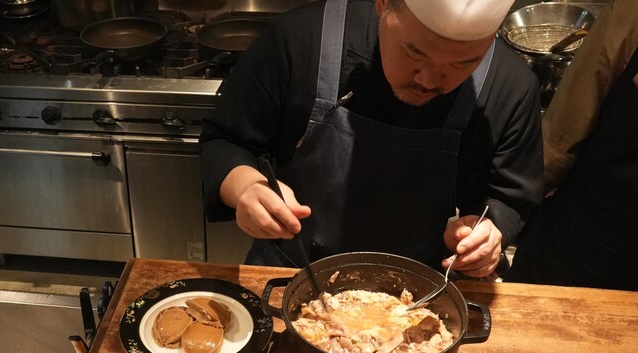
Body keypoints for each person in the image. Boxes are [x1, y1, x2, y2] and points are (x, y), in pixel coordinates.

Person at [199, 0, 543, 278]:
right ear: (383, 5)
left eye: (464, 62)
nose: (429, 80)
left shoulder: (509, 85)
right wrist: (246, 187)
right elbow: (225, 140)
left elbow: (509, 196)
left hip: (418, 293)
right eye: (414, 53)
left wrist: (486, 233)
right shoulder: (302, 39)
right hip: (291, 274)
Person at [506, 0, 638, 290]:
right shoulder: (630, 15)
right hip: (588, 240)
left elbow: (558, 141)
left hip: (585, 246)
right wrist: (505, 213)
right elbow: (557, 142)